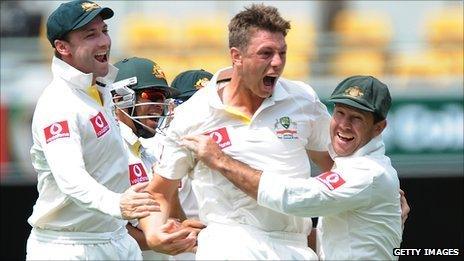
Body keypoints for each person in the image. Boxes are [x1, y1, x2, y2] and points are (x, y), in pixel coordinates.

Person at [139, 4, 333, 260]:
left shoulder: (303, 99)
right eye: (266, 53)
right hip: (228, 244)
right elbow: (159, 192)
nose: (276, 63)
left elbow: (335, 167)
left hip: (293, 245)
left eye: (282, 53)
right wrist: (154, 235)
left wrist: (381, 196)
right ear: (236, 56)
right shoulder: (195, 114)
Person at [182, 75, 408, 260]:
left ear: (379, 128)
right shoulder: (357, 168)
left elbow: (295, 197)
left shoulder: (366, 173)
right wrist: (220, 235)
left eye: (356, 118)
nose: (344, 125)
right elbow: (332, 242)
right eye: (339, 113)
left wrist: (221, 160)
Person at [26, 1, 157, 259]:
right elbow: (71, 178)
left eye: (104, 31)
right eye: (90, 35)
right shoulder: (58, 103)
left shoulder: (101, 90)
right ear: (63, 48)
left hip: (117, 239)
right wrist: (116, 204)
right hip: (68, 246)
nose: (104, 42)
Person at [111, 57, 204, 259]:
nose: (158, 105)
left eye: (163, 97)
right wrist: (177, 240)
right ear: (119, 98)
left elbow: (167, 219)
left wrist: (179, 228)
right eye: (151, 95)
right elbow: (104, 224)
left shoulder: (146, 153)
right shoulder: (109, 146)